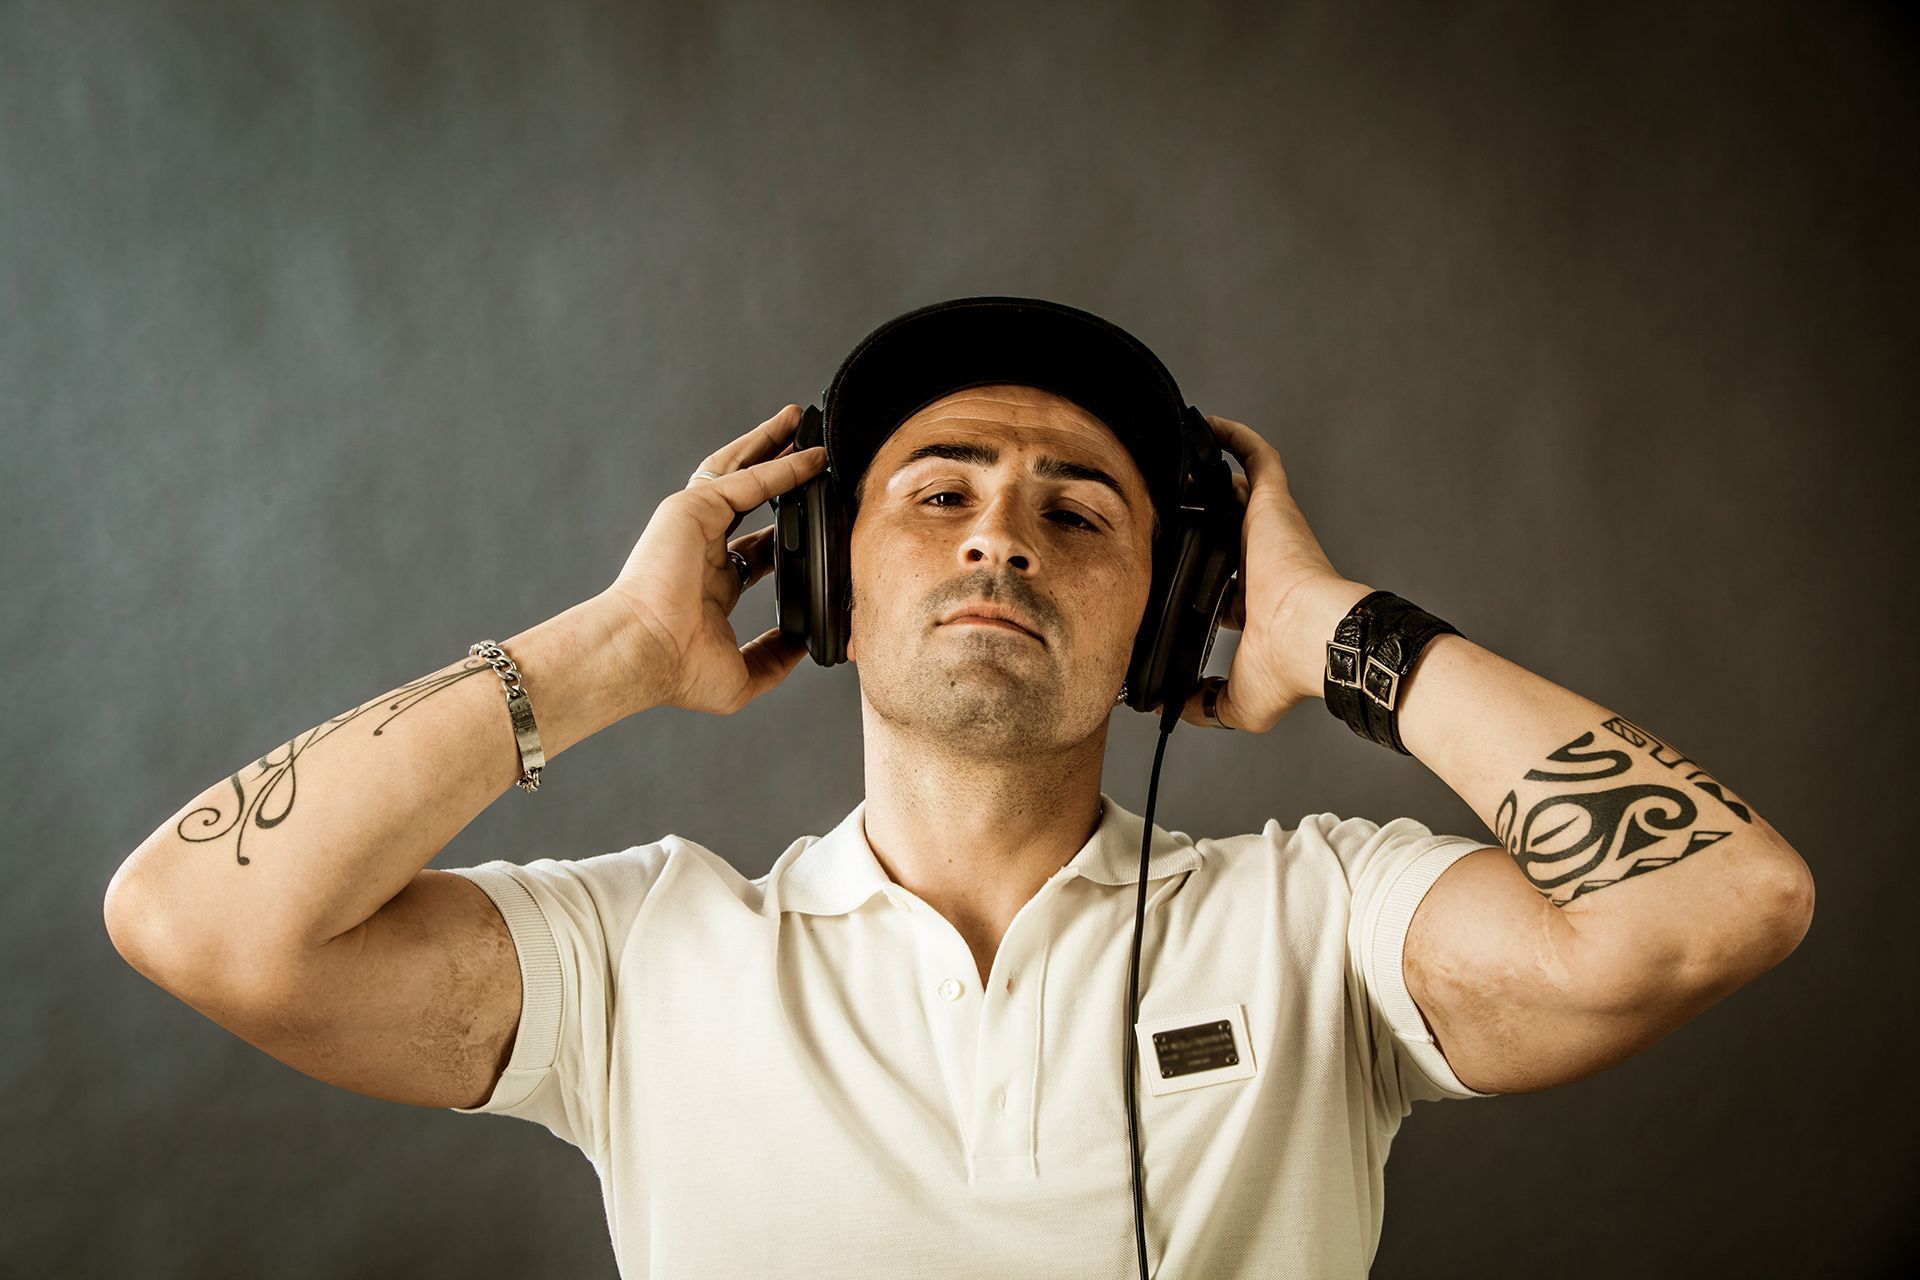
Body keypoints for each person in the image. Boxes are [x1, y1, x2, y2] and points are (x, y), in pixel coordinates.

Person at [104, 302, 1815, 1278]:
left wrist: (1323, 625)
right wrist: (617, 645)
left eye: (1081, 511)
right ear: (827, 578)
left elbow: (1721, 903)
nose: (1005, 529)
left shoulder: (1323, 922)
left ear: (1171, 616)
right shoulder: (643, 957)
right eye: (939, 493)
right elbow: (195, 921)